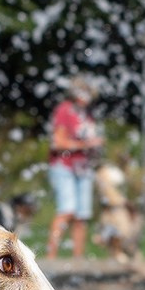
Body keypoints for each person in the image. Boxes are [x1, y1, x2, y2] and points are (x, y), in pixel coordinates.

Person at [46, 76, 103, 259]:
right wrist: (86, 145)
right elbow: (58, 142)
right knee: (67, 210)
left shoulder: (87, 114)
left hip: (83, 168)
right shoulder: (64, 110)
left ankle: (78, 258)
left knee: (82, 216)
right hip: (64, 166)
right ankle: (50, 257)